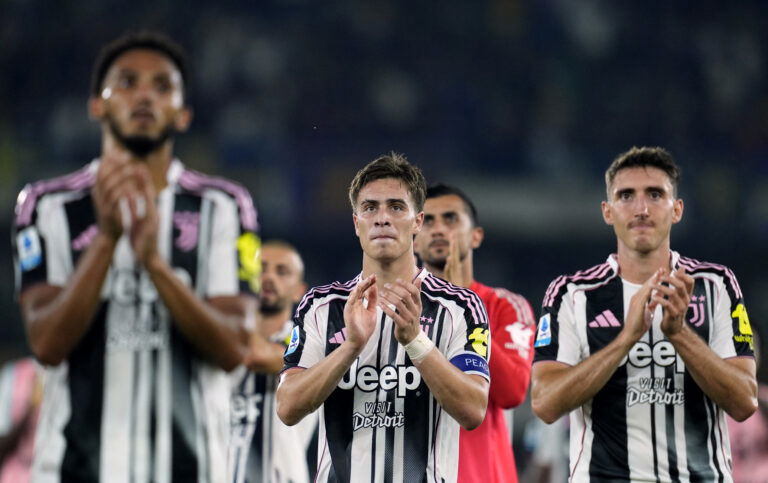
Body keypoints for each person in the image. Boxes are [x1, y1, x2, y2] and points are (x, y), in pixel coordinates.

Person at [12, 31, 259, 482]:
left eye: (162, 86)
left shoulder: (225, 206)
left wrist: (156, 265)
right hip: (72, 470)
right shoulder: (45, 206)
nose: (144, 95)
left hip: (194, 470)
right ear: (97, 105)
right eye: (127, 82)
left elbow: (234, 348)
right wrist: (106, 240)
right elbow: (46, 344)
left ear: (183, 114)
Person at [531, 146, 757, 481]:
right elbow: (545, 403)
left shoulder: (716, 284)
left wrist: (679, 334)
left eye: (655, 194)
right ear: (607, 212)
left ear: (677, 209)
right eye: (626, 196)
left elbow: (744, 402)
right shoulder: (571, 294)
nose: (641, 208)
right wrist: (626, 339)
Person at [276, 153, 490, 482]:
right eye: (370, 207)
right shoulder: (321, 305)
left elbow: (473, 410)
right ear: (356, 222)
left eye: (396, 207)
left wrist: (416, 342)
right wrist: (350, 347)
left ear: (417, 221)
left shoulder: (460, 306)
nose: (382, 219)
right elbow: (288, 407)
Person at [413, 183, 535, 483]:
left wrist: (462, 304)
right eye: (428, 221)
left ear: (476, 236)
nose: (439, 228)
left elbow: (513, 392)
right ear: (413, 239)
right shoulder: (398, 310)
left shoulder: (505, 305)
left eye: (451, 219)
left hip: (482, 475)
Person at [230, 240, 317, 483]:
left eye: (281, 272)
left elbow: (256, 355)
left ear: (299, 290)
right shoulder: (226, 337)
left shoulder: (308, 342)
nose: (268, 277)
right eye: (261, 268)